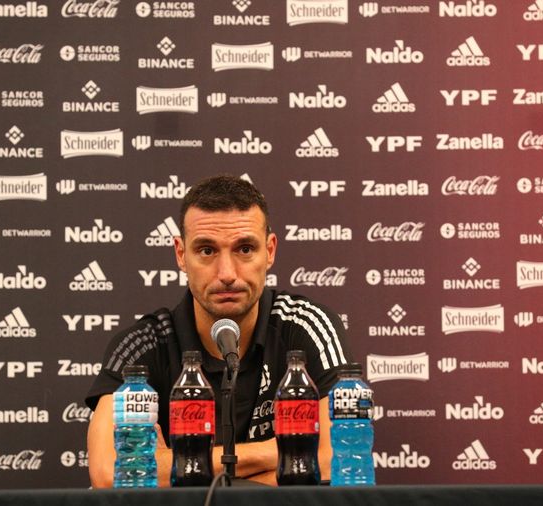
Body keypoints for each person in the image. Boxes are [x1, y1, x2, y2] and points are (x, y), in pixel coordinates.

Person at [85, 174, 351, 487]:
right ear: (181, 254)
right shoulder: (142, 345)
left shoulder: (308, 325)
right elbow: (108, 473)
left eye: (245, 249)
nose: (227, 273)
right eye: (207, 250)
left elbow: (341, 456)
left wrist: (176, 467)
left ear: (270, 251)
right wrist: (281, 452)